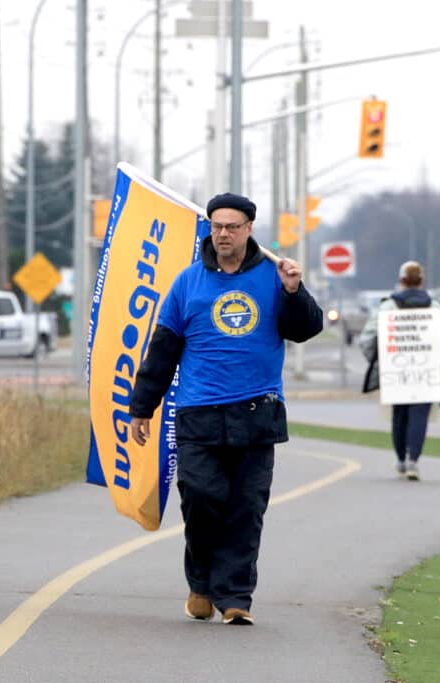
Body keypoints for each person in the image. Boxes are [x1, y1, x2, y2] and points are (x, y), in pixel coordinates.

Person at [128, 192, 323, 625]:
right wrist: (142, 406)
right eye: (217, 226)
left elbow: (305, 329)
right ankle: (200, 583)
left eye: (232, 226)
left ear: (249, 229)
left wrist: (294, 291)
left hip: (258, 412)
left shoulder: (273, 277)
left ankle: (236, 597)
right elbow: (162, 351)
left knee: (246, 507)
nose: (223, 234)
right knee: (201, 499)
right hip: (199, 413)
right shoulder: (188, 283)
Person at [359, 261, 440, 481]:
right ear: (421, 281)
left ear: (402, 280)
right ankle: (414, 460)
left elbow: (367, 339)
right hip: (427, 369)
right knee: (420, 414)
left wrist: (378, 360)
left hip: (396, 368)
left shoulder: (387, 307)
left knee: (400, 414)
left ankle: (401, 460)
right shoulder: (436, 307)